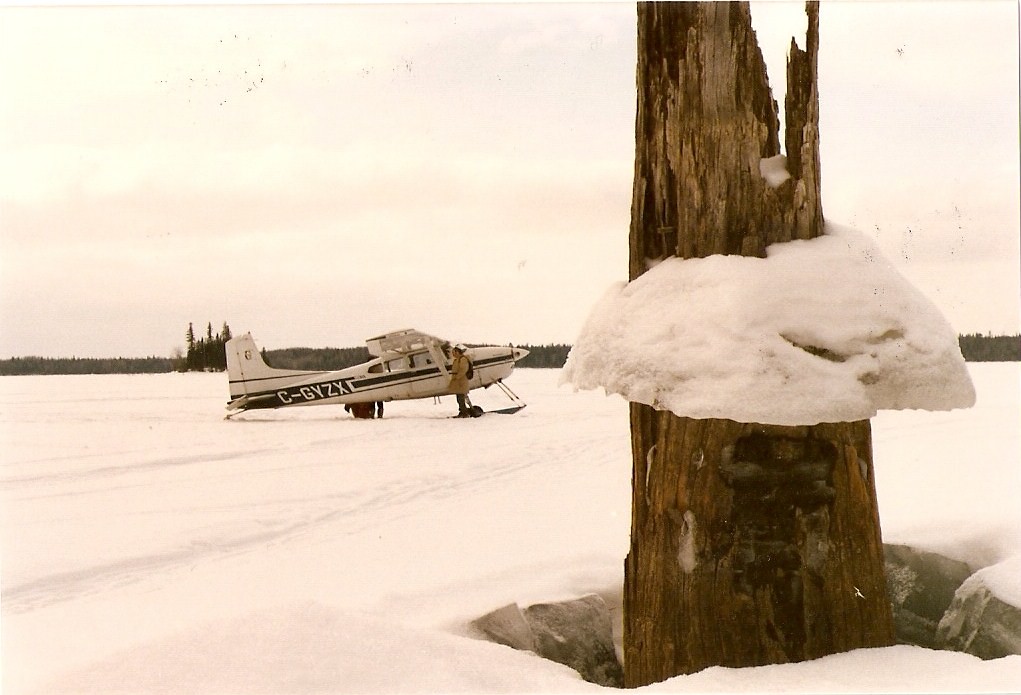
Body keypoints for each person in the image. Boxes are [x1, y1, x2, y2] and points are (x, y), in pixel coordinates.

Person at [448, 344, 472, 417]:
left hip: (461, 381)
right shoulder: (457, 360)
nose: (453, 354)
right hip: (458, 382)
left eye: (454, 352)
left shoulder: (463, 359)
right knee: (459, 398)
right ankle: (462, 411)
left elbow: (463, 369)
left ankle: (464, 413)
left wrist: (457, 377)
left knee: (461, 398)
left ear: (457, 352)